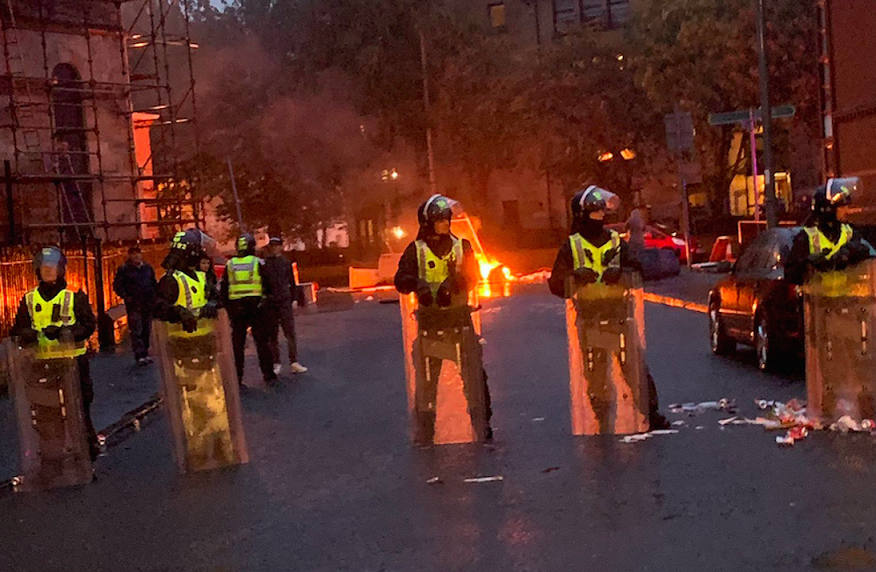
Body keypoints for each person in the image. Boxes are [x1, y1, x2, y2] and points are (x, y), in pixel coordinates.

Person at [549, 185, 668, 430]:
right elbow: (556, 284)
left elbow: (638, 270)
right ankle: (601, 416)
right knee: (595, 373)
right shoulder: (571, 246)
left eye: (602, 214)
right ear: (582, 215)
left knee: (635, 369)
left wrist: (622, 273)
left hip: (620, 314)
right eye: (595, 214)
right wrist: (574, 276)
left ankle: (650, 413)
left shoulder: (615, 241)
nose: (600, 219)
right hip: (590, 318)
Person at [394, 194, 493, 443]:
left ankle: (481, 426)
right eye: (440, 220)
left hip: (460, 321)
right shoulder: (415, 250)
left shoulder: (463, 246)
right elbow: (400, 280)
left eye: (447, 219)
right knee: (426, 384)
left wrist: (457, 281)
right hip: (430, 324)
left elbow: (473, 276)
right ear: (428, 222)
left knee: (475, 379)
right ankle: (425, 431)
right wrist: (418, 285)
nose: (446, 224)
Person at [11, 246, 100, 461]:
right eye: (44, 269)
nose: (47, 273)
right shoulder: (30, 299)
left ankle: (87, 451)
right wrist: (26, 334)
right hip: (42, 366)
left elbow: (88, 325)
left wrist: (65, 332)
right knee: (46, 413)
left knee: (78, 410)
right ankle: (53, 454)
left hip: (73, 364)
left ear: (61, 270)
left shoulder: (74, 296)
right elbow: (17, 329)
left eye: (51, 269)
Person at [785, 177, 875, 285]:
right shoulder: (806, 237)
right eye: (841, 207)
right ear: (827, 210)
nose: (846, 210)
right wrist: (808, 265)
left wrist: (854, 252)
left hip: (849, 300)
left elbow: (872, 255)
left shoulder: (850, 233)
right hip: (819, 300)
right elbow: (791, 275)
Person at [220, 233, 277, 386]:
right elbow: (269, 286)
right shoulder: (258, 262)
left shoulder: (230, 265)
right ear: (252, 246)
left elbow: (224, 289)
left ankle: (237, 377)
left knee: (237, 345)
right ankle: (268, 374)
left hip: (237, 309)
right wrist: (266, 303)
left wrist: (230, 308)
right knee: (262, 342)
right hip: (256, 308)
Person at [263, 236, 307, 375]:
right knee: (274, 335)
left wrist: (294, 298)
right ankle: (280, 363)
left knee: (288, 334)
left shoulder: (279, 263)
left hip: (282, 301)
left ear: (280, 247)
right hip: (274, 302)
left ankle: (291, 362)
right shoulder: (269, 264)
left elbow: (292, 282)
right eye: (273, 246)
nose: (275, 248)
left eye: (276, 245)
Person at [113, 246, 157, 366]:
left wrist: (153, 296)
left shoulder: (147, 268)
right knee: (136, 329)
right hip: (134, 304)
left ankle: (145, 352)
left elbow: (153, 282)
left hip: (147, 303)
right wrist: (127, 296)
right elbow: (117, 285)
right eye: (134, 254)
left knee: (146, 329)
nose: (136, 256)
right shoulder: (125, 270)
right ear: (130, 256)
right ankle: (139, 355)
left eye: (138, 254)